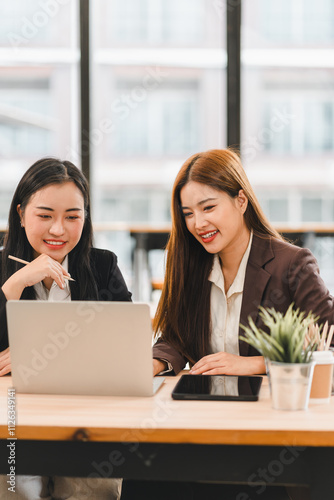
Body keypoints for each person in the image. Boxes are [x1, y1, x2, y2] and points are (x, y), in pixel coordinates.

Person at [121, 148, 329, 500]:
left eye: (208, 207)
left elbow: (328, 346)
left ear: (241, 200)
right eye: (188, 213)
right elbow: (178, 336)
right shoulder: (190, 262)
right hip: (200, 418)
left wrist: (253, 364)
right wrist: (153, 362)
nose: (197, 223)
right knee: (140, 472)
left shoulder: (291, 265)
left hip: (268, 429)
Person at [0, 157, 131, 500]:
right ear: (20, 213)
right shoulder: (3, 268)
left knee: (90, 489)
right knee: (15, 487)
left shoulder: (102, 265)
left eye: (72, 217)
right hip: (12, 416)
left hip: (84, 414)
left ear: (85, 218)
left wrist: (40, 357)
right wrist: (13, 287)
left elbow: (126, 347)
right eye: (45, 216)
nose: (58, 230)